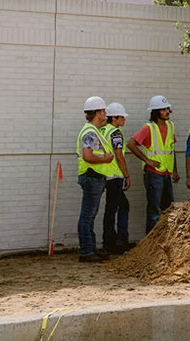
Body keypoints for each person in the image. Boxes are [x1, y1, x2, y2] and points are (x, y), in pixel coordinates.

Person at [127, 95, 180, 234]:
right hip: (153, 173)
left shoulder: (171, 126)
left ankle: (165, 238)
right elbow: (131, 144)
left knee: (168, 208)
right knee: (154, 209)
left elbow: (171, 150)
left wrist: (175, 170)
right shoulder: (148, 128)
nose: (167, 111)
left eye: (167, 108)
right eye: (163, 109)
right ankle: (150, 242)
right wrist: (147, 160)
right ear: (156, 112)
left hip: (166, 173)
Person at [76, 96, 115, 263]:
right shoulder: (91, 132)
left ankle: (90, 248)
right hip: (92, 176)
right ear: (97, 113)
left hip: (94, 177)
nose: (105, 113)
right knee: (87, 215)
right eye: (103, 110)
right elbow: (88, 156)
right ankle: (86, 250)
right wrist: (106, 159)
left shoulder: (94, 131)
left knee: (90, 215)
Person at [101, 102, 131, 254]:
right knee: (118, 207)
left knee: (113, 208)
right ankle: (117, 241)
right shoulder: (116, 133)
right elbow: (119, 156)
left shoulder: (102, 130)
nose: (124, 120)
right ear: (114, 118)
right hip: (115, 175)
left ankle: (111, 241)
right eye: (122, 117)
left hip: (104, 174)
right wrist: (126, 175)